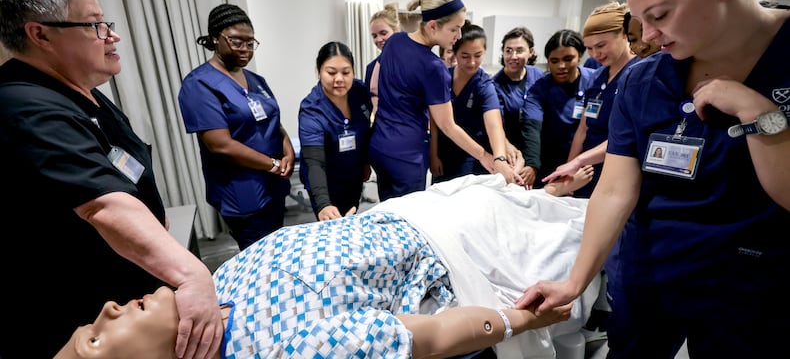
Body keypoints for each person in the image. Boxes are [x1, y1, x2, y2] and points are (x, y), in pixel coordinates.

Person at [517, 0, 790, 358]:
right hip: (653, 272)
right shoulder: (645, 79)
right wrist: (575, 281)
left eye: (660, 16)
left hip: (751, 283)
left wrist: (757, 114)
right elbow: (615, 190)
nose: (647, 37)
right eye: (639, 22)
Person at [57, 168, 599, 359]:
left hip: (405, 214)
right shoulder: (281, 348)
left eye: (90, 325)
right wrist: (522, 319)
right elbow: (429, 338)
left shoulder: (203, 292)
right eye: (97, 341)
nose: (106, 308)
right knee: (582, 227)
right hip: (451, 246)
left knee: (538, 198)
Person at [0, 0, 222, 359]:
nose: (111, 35)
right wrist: (191, 275)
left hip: (130, 286)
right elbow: (102, 202)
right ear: (40, 34)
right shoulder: (23, 105)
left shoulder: (82, 91)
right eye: (94, 25)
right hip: (86, 321)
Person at [369, 0, 512, 201]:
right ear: (433, 25)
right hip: (407, 156)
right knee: (409, 219)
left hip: (380, 147)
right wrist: (487, 157)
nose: (459, 36)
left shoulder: (394, 41)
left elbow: (375, 85)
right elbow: (447, 126)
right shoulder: (434, 67)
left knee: (387, 212)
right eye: (454, 29)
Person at [178, 3, 295, 251]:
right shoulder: (199, 84)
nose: (245, 49)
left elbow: (274, 119)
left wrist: (288, 152)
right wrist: (272, 164)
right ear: (215, 39)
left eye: (250, 42)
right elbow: (220, 144)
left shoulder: (255, 80)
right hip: (242, 191)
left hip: (273, 184)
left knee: (278, 248)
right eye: (236, 41)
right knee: (257, 257)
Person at [565, 1, 640, 198]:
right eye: (589, 48)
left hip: (617, 166)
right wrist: (569, 170)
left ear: (624, 34)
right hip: (587, 169)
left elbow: (628, 136)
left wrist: (579, 161)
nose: (595, 54)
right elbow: (583, 129)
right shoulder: (597, 77)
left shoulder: (638, 75)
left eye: (601, 45)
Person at [430, 21, 521, 183]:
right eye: (465, 56)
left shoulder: (484, 85)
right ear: (454, 53)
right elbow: (436, 122)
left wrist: (499, 158)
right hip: (444, 153)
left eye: (478, 55)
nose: (472, 62)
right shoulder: (443, 79)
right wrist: (433, 153)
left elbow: (494, 124)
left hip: (472, 154)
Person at [298, 41, 372, 220]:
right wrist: (323, 204)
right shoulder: (312, 109)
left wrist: (365, 162)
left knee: (350, 218)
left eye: (346, 72)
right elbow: (314, 162)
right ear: (319, 71)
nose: (339, 79)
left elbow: (365, 130)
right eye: (331, 72)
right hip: (324, 182)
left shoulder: (359, 92)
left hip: (353, 176)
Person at [521, 29, 596, 189]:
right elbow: (532, 128)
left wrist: (575, 166)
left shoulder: (595, 82)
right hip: (550, 164)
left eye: (568, 59)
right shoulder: (540, 89)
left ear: (580, 55)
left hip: (587, 166)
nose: (561, 66)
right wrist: (532, 164)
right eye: (554, 61)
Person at [491, 26, 546, 186]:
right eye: (508, 51)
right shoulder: (494, 85)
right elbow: (496, 126)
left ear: (531, 52)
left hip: (537, 151)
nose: (513, 56)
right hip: (512, 155)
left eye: (519, 50)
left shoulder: (538, 77)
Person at [364, 2, 400, 118]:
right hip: (384, 127)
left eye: (383, 33)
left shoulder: (414, 62)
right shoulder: (371, 68)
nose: (379, 39)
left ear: (397, 30)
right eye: (374, 36)